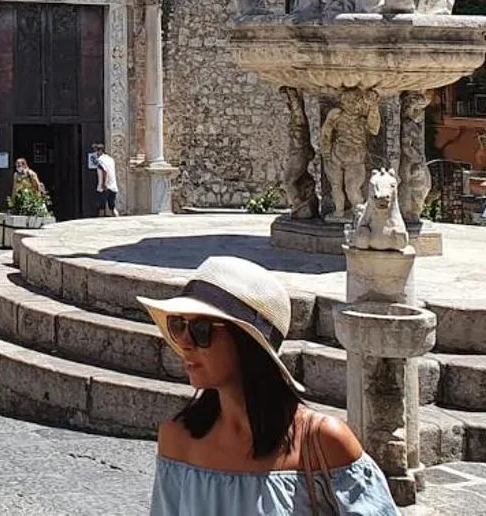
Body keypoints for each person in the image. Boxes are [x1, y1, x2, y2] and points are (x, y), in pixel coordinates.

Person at [140, 256, 396, 515]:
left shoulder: (323, 442)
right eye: (178, 325)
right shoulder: (177, 439)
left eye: (201, 329)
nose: (184, 342)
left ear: (246, 343)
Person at [92, 142, 120, 216]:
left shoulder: (100, 160)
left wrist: (104, 184)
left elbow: (104, 171)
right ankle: (119, 220)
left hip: (104, 187)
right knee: (112, 207)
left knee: (101, 208)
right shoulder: (111, 159)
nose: (96, 153)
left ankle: (100, 224)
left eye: (96, 150)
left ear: (100, 151)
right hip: (113, 186)